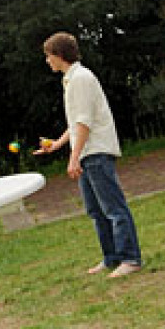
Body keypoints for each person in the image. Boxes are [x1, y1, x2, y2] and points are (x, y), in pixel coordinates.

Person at [34, 33, 142, 278]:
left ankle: (130, 258)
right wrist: (57, 145)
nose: (47, 61)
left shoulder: (81, 79)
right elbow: (75, 123)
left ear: (59, 55)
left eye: (48, 56)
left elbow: (84, 123)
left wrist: (74, 157)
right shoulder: (72, 80)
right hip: (87, 153)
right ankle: (112, 257)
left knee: (113, 208)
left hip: (95, 152)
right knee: (96, 210)